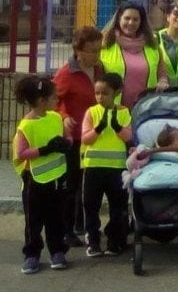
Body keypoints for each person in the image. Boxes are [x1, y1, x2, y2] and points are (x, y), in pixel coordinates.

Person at [13, 75, 71, 274]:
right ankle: (32, 254)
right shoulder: (26, 126)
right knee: (34, 221)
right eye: (54, 98)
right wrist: (44, 150)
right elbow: (20, 154)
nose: (57, 101)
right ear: (41, 101)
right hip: (34, 181)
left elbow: (66, 136)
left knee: (56, 218)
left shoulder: (55, 117)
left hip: (56, 178)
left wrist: (67, 142)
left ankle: (57, 251)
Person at [52, 25, 103, 248]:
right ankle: (66, 230)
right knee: (71, 184)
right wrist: (63, 117)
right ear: (78, 50)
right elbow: (53, 101)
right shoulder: (66, 73)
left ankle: (83, 223)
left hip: (93, 135)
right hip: (73, 137)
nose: (96, 55)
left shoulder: (100, 69)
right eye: (92, 50)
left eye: (99, 50)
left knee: (88, 183)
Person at [79, 72, 132, 257]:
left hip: (116, 168)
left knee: (118, 206)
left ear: (116, 92)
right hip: (93, 167)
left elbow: (129, 137)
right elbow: (85, 138)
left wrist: (117, 127)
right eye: (97, 93)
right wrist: (98, 129)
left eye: (105, 93)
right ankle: (93, 241)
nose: (100, 97)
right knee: (90, 205)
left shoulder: (124, 112)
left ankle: (115, 240)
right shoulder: (91, 112)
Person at [100, 2, 169, 107]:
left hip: (146, 110)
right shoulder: (105, 44)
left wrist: (162, 81)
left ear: (141, 22)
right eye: (127, 18)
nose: (131, 22)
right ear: (119, 19)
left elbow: (161, 69)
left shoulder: (152, 45)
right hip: (114, 111)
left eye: (135, 19)